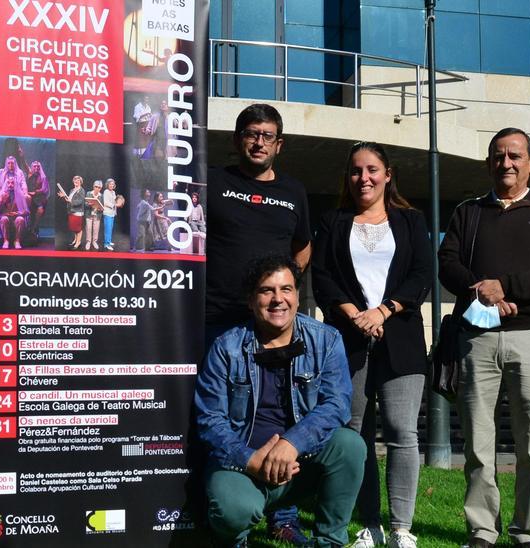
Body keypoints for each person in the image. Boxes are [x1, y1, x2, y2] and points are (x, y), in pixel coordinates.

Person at [439, 128, 530, 548]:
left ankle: (527, 532)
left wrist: (507, 287)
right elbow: (447, 263)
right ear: (488, 163)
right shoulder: (468, 212)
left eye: (515, 155)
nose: (506, 163)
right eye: (498, 156)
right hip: (477, 340)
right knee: (479, 444)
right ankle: (482, 530)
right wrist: (484, 291)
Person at [195, 255, 364, 548]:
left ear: (297, 297)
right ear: (251, 301)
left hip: (299, 463)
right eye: (266, 291)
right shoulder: (226, 347)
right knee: (233, 511)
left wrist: (292, 443)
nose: (278, 299)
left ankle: (329, 543)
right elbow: (210, 420)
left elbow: (337, 404)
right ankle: (234, 539)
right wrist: (250, 460)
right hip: (242, 466)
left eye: (286, 289)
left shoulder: (326, 340)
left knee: (350, 446)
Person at [311, 142, 432, 548]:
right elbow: (323, 277)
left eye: (372, 169)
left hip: (402, 340)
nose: (364, 177)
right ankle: (369, 524)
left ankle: (401, 528)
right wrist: (354, 314)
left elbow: (421, 274)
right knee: (354, 434)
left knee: (402, 432)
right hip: (348, 340)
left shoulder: (411, 221)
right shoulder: (333, 220)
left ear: (387, 174)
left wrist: (383, 311)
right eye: (356, 170)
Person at [204, 103, 312, 544]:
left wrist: (280, 296)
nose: (259, 141)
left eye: (267, 135)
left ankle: (283, 513)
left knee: (276, 410)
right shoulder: (214, 181)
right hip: (217, 319)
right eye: (251, 133)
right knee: (225, 415)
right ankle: (228, 508)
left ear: (279, 144)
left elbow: (302, 250)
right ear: (237, 139)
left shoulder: (294, 192)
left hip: (273, 327)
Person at [0, 155, 30, 249]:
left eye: (12, 163)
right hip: (5, 215)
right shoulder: (3, 193)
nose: (10, 185)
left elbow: (27, 211)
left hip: (16, 215)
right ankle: (6, 240)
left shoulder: (19, 174)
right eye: (8, 163)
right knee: (4, 218)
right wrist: (0, 199)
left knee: (20, 219)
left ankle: (17, 241)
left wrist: (18, 213)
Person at [59, 175, 87, 249]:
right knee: (74, 228)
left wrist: (70, 200)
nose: (76, 181)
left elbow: (80, 202)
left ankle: (78, 242)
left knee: (78, 228)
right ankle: (75, 239)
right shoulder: (72, 190)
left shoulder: (82, 190)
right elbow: (68, 200)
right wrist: (64, 196)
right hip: (71, 211)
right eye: (75, 180)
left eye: (78, 180)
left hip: (78, 212)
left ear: (81, 182)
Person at [27, 160, 50, 242]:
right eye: (35, 166)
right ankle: (29, 229)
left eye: (38, 166)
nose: (36, 168)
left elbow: (45, 189)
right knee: (29, 213)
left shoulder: (43, 177)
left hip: (39, 198)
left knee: (40, 211)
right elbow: (24, 164)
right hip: (30, 198)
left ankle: (34, 228)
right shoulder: (30, 174)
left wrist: (36, 192)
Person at [85, 180, 105, 250]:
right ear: (93, 186)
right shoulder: (89, 193)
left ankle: (94, 241)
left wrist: (101, 209)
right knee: (89, 228)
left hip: (97, 214)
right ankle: (88, 242)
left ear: (101, 188)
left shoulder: (101, 196)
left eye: (99, 187)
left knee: (96, 229)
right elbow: (85, 204)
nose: (97, 188)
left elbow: (102, 206)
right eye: (96, 187)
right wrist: (89, 204)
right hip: (89, 214)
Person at [102, 178, 120, 250]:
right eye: (110, 184)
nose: (111, 185)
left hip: (112, 213)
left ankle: (109, 241)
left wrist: (119, 202)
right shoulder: (106, 191)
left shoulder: (113, 192)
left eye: (112, 184)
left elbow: (115, 201)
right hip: (107, 212)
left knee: (110, 228)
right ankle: (106, 244)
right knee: (107, 229)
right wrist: (114, 205)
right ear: (107, 185)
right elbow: (105, 202)